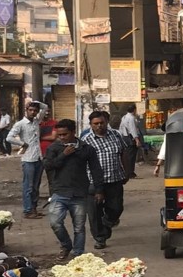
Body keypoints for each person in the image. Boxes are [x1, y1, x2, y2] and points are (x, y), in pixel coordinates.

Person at [44, 119, 105, 260]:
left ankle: (77, 254)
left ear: (73, 132)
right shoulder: (54, 148)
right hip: (60, 192)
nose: (62, 137)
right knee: (55, 223)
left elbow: (96, 170)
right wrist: (64, 154)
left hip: (79, 193)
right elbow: (48, 166)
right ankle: (66, 245)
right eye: (59, 135)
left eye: (65, 134)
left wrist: (99, 190)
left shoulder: (86, 149)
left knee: (79, 227)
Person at [83, 111, 129, 250]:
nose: (99, 126)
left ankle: (108, 222)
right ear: (91, 125)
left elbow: (123, 153)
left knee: (116, 208)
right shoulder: (86, 140)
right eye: (95, 124)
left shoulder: (116, 135)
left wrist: (127, 172)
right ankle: (100, 238)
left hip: (115, 179)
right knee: (94, 212)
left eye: (101, 123)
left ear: (106, 122)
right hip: (93, 182)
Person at [7, 101, 48, 219]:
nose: (33, 112)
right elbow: (9, 137)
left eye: (35, 110)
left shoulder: (36, 121)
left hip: (38, 157)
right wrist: (22, 143)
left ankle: (34, 208)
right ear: (26, 110)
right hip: (28, 159)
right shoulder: (20, 124)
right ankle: (28, 210)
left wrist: (36, 102)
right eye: (30, 110)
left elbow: (45, 107)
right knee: (28, 186)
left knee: (36, 186)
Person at [118, 104, 142, 179]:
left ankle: (128, 171)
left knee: (128, 155)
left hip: (125, 137)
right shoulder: (131, 118)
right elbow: (133, 129)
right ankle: (130, 172)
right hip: (130, 138)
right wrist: (137, 139)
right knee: (131, 156)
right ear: (134, 110)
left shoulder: (124, 117)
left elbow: (121, 128)